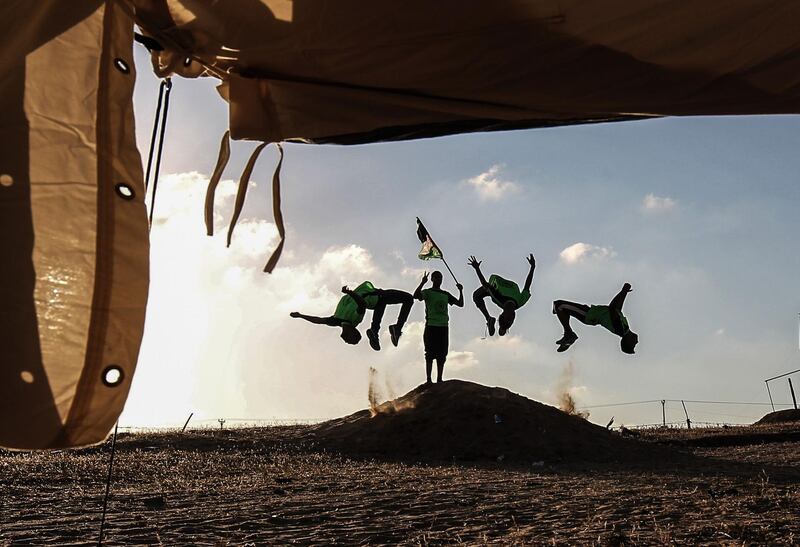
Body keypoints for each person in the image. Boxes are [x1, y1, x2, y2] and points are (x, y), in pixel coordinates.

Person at [290, 281, 413, 350]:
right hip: (375, 296)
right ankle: (393, 328)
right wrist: (350, 292)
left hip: (375, 301)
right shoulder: (352, 320)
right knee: (408, 299)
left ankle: (375, 330)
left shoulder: (336, 321)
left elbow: (318, 320)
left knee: (380, 306)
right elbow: (361, 304)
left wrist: (301, 316)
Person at [552, 283, 639, 354]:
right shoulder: (625, 328)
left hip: (588, 315)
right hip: (590, 313)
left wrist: (623, 292)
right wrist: (624, 293)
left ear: (628, 341)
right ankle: (568, 333)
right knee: (560, 307)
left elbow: (612, 308)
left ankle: (568, 333)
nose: (637, 342)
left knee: (559, 305)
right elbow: (617, 309)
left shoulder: (620, 329)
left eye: (634, 345)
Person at [413, 271, 464, 384]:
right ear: (432, 279)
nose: (438, 280)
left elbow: (460, 304)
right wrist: (422, 283)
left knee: (442, 353)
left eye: (440, 278)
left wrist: (461, 291)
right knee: (429, 353)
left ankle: (439, 379)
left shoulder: (445, 294)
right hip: (431, 325)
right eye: (436, 278)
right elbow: (416, 296)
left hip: (443, 326)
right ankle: (429, 379)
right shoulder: (428, 292)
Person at [468, 254, 535, 336]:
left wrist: (477, 269)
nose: (512, 317)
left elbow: (485, 284)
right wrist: (532, 267)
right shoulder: (520, 302)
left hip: (495, 286)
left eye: (508, 318)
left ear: (503, 313)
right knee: (481, 292)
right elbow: (527, 285)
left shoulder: (499, 298)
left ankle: (489, 319)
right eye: (512, 319)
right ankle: (490, 320)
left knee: (476, 295)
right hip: (505, 286)